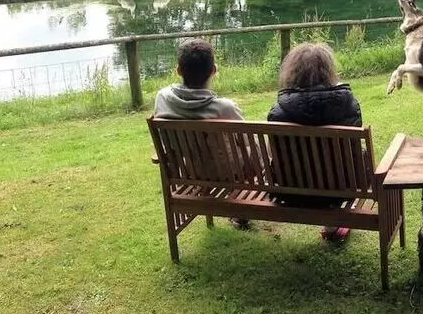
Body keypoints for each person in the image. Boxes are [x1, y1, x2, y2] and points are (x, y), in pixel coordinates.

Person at [267, 43, 362, 242]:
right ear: (329, 71)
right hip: (342, 190)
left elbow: (275, 154)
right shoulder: (349, 106)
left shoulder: (279, 111)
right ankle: (333, 227)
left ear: (292, 72)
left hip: (291, 192)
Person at [155, 38, 249, 229]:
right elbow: (246, 141)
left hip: (187, 173)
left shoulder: (162, 98)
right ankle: (240, 211)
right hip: (225, 174)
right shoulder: (224, 108)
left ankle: (239, 211)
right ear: (214, 69)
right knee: (252, 151)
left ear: (178, 70)